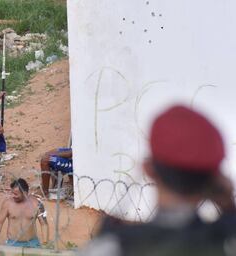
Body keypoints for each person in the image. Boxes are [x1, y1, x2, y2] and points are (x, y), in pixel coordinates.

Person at [81, 105, 236, 256]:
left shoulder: (115, 247)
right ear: (215, 180)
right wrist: (229, 207)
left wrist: (109, 230)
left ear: (148, 168)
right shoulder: (224, 241)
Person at [0, 178, 49, 248]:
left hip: (32, 243)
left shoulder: (37, 204)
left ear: (25, 193)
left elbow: (44, 224)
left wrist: (45, 243)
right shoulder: (7, 204)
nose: (13, 196)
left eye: (16, 194)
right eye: (12, 193)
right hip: (13, 243)